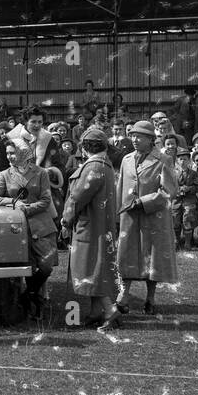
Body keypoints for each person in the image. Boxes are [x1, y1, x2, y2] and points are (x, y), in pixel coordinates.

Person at [0, 135, 58, 319]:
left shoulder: (41, 173)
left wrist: (27, 209)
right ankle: (35, 306)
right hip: (17, 230)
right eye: (8, 153)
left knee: (46, 267)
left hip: (42, 226)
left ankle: (26, 296)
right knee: (27, 266)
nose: (10, 157)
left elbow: (45, 200)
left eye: (14, 153)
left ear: (24, 153)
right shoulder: (5, 174)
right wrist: (13, 202)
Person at [61, 126, 121, 331]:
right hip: (101, 226)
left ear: (85, 148)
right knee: (98, 267)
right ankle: (96, 312)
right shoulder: (106, 165)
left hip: (90, 227)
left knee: (88, 269)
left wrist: (66, 221)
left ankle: (110, 310)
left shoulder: (93, 167)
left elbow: (77, 198)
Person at [115, 120, 177, 317]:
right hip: (130, 218)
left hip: (153, 219)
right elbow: (120, 188)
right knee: (126, 256)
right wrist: (118, 214)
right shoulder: (126, 159)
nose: (134, 139)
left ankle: (150, 299)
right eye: (132, 135)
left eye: (139, 136)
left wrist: (144, 202)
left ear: (151, 140)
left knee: (152, 260)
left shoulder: (163, 160)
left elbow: (169, 191)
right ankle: (124, 296)